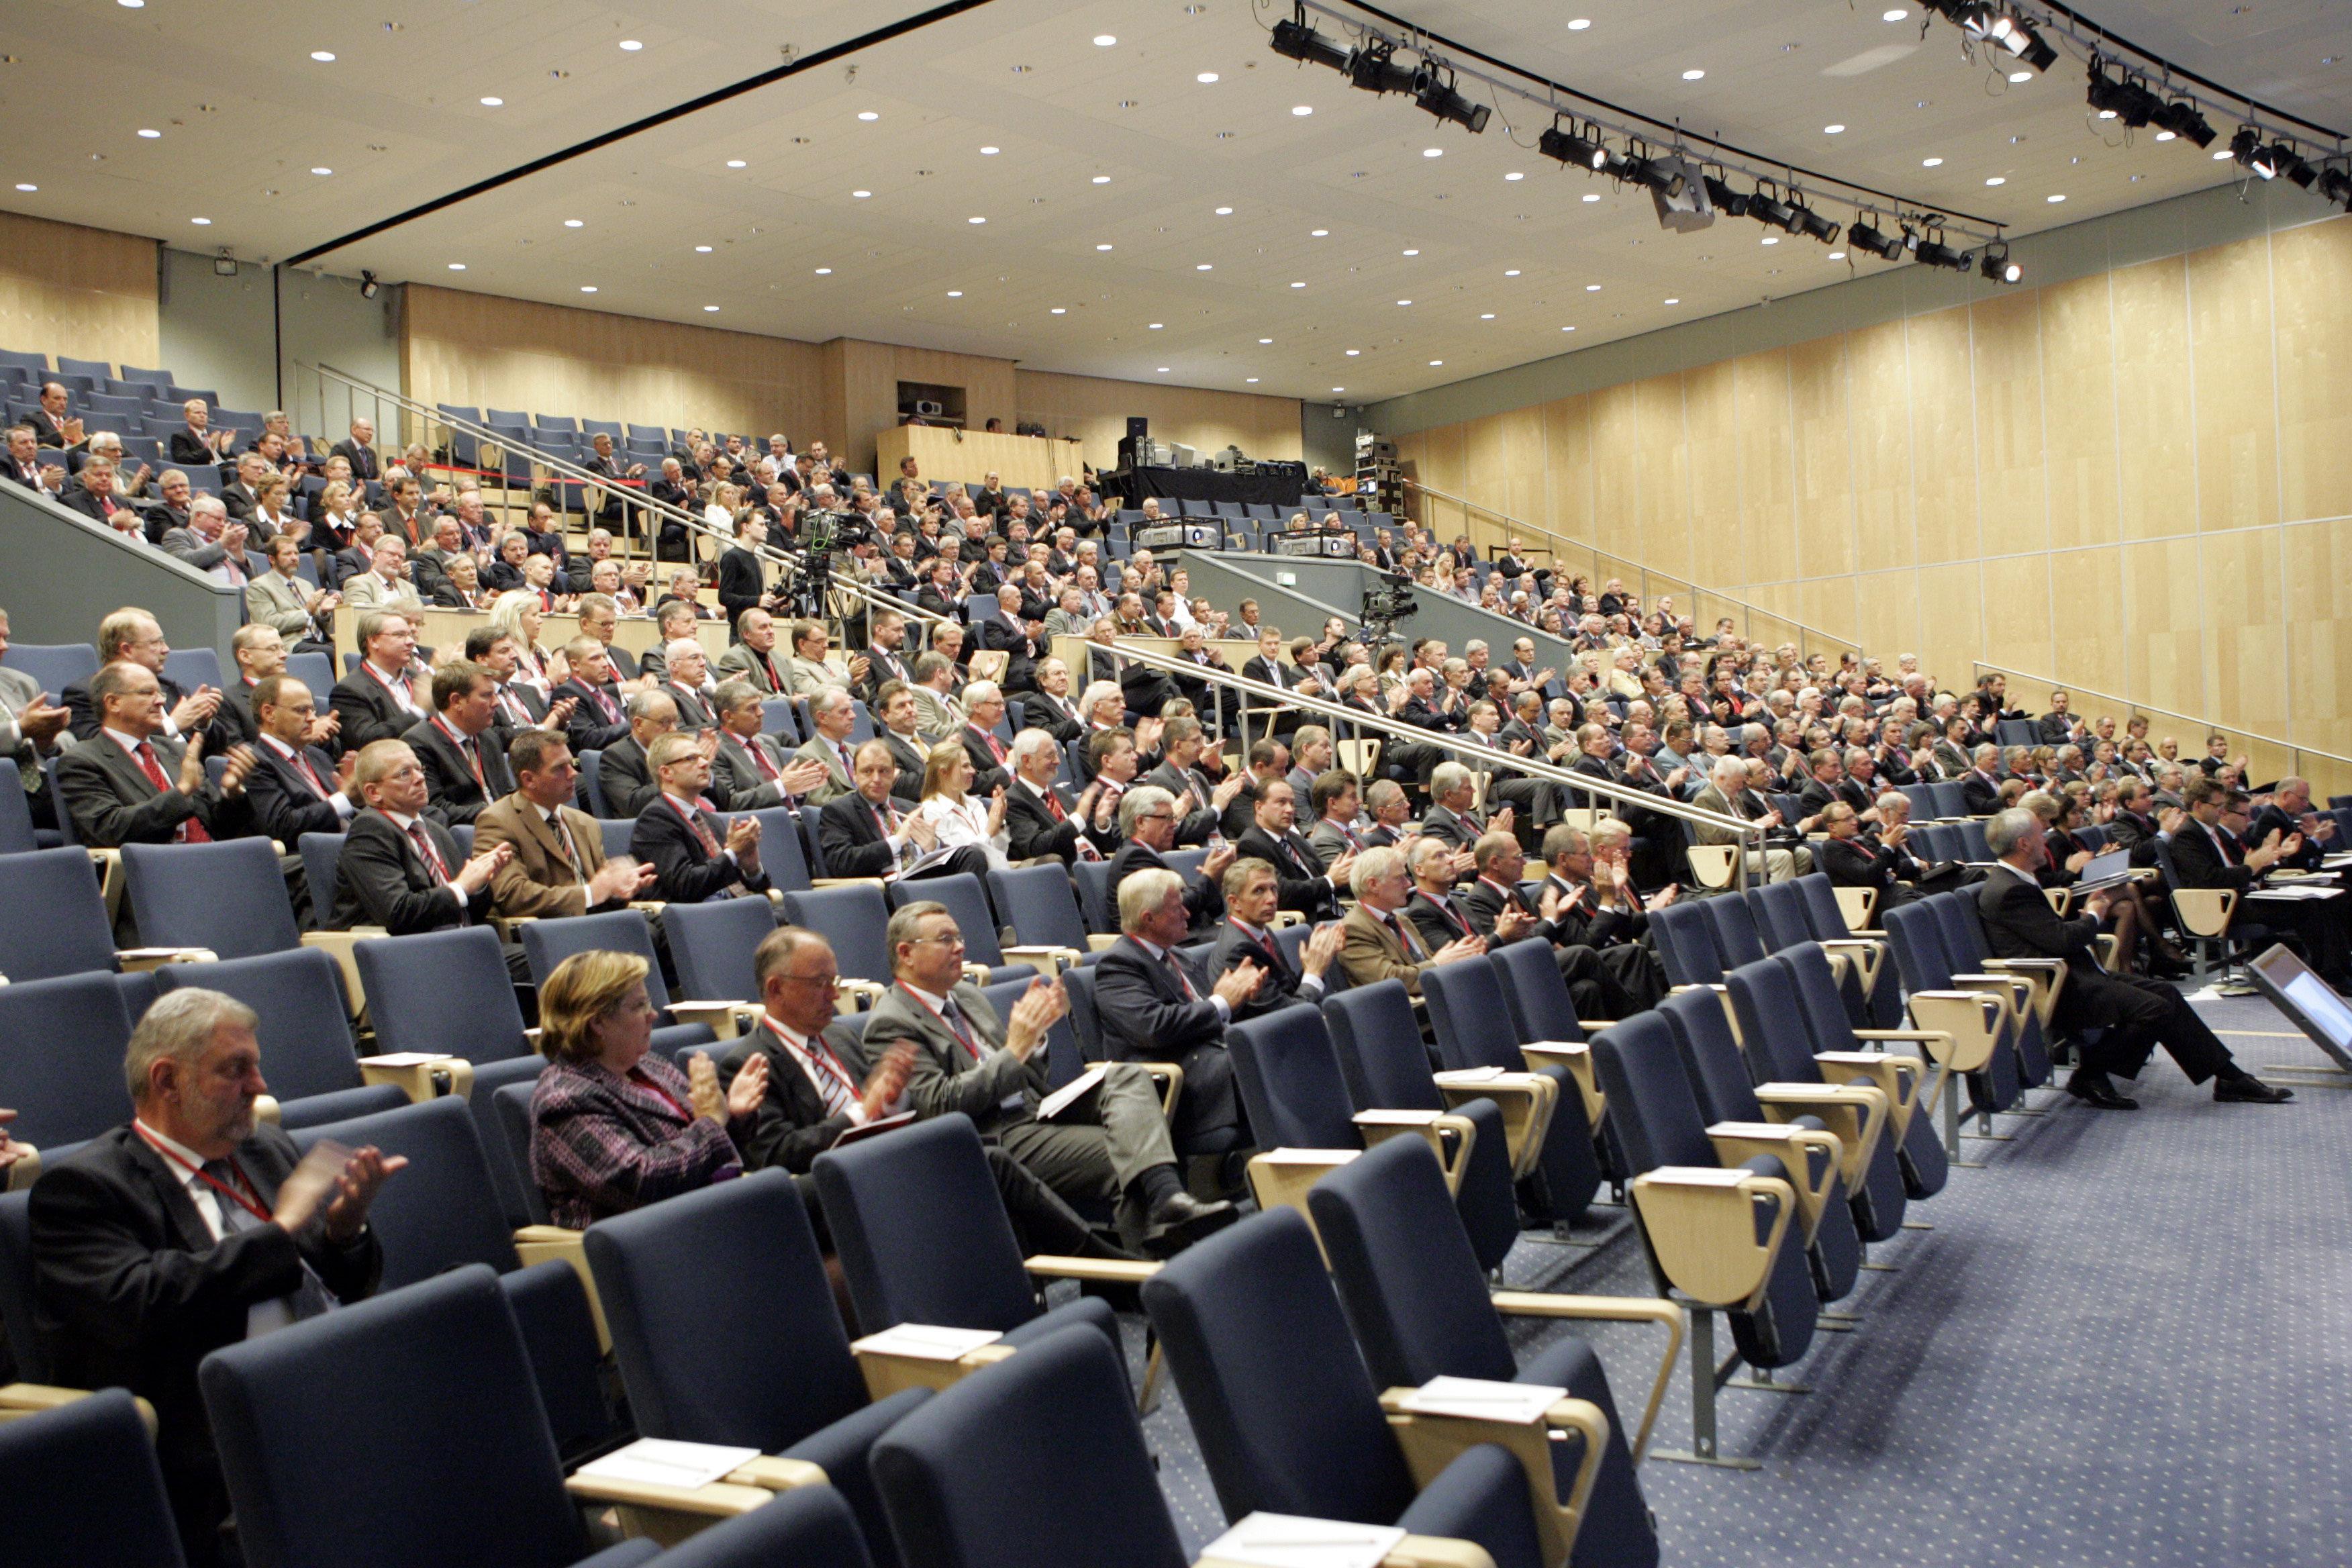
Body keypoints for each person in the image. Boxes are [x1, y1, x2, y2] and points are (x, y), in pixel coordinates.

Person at [29, 988, 401, 1566]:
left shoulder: (264, 1148)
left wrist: (342, 1233)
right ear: (166, 1080)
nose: (260, 1086)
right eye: (236, 1070)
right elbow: (141, 1303)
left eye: (256, 1066)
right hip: (215, 1447)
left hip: (327, 1395)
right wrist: (277, 1235)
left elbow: (341, 1285)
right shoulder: (86, 1189)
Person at [863, 901, 1235, 1253]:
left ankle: (1164, 1209)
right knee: (1129, 1153)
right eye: (946, 940)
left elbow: (1027, 1075)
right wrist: (1016, 1050)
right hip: (992, 1135)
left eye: (959, 938)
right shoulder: (892, 1022)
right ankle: (1147, 1272)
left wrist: (1036, 1042)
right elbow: (939, 1106)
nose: (960, 948)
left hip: (1034, 1109)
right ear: (906, 954)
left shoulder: (965, 995)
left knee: (1126, 1075)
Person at [1975, 807, 2290, 1109]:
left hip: (2073, 972)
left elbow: (2051, 933)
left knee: (2164, 993)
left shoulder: (2018, 882)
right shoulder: (2008, 890)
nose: (2046, 839)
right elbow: (2061, 939)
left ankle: (2229, 1077)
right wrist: (2094, 916)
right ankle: (2091, 1075)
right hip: (2054, 984)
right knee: (2154, 1009)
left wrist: (2089, 910)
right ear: (2023, 844)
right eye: (2040, 834)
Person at [528, 949, 769, 1228]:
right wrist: (713, 1121)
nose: (653, 1015)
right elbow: (642, 1181)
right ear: (597, 1023)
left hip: (707, 1209)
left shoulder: (650, 1065)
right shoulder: (565, 1099)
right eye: (639, 1006)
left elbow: (705, 1145)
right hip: (650, 1239)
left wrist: (732, 1116)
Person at [1093, 867, 1262, 1148]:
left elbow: (1211, 1013)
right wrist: (1221, 1002)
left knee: (1280, 1043)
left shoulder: (1178, 955)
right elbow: (1153, 1027)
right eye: (1177, 908)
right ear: (1149, 918)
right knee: (1270, 1067)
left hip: (1213, 1058)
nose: (1187, 914)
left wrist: (1239, 997)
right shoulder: (1118, 966)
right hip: (1175, 1082)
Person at [56, 661, 258, 848]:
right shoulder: (81, 761)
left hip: (213, 857)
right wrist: (182, 791)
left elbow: (221, 827)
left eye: (160, 693)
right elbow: (112, 829)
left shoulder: (174, 750)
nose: (161, 701)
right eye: (147, 693)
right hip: (154, 869)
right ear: (113, 703)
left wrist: (232, 794)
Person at [332, 737, 514, 933]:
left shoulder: (435, 830)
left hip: (460, 940)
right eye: (404, 774)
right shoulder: (370, 831)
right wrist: (461, 887)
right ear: (374, 792)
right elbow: (397, 912)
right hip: (409, 951)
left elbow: (471, 913)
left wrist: (481, 881)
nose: (419, 778)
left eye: (419, 769)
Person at [473, 728, 658, 919]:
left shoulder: (584, 822)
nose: (573, 774)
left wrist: (619, 888)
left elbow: (600, 890)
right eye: (560, 768)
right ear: (529, 779)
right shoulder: (498, 821)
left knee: (663, 925)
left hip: (598, 918)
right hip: (550, 929)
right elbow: (512, 894)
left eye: (571, 764)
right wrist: (588, 894)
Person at [818, 738, 994, 883]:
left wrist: (933, 846)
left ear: (894, 774)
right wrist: (896, 841)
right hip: (887, 885)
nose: (877, 779)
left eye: (884, 771)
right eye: (867, 771)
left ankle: (981, 923)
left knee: (972, 855)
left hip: (924, 877)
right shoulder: (838, 811)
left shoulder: (909, 807)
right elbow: (841, 862)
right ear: (855, 775)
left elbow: (939, 853)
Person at [632, 731, 770, 901]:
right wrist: (732, 853)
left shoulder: (710, 819)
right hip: (700, 919)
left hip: (742, 909)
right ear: (667, 772)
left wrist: (751, 868)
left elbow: (757, 887)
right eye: (691, 759)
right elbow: (686, 886)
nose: (705, 763)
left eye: (703, 757)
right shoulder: (655, 820)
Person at [1206, 856, 1346, 1022]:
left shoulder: (1261, 931)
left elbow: (1287, 994)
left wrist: (1317, 961)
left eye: (1274, 889)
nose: (1272, 899)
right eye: (1259, 891)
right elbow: (1289, 1016)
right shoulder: (1239, 951)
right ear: (1235, 902)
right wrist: (1314, 972)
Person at [1338, 844, 1485, 996]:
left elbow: (1426, 960)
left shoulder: (1401, 919)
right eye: (1399, 878)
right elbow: (1389, 981)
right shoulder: (1353, 928)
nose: (1408, 884)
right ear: (1373, 884)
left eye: (1406, 877)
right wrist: (1438, 964)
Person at [243, 673, 359, 846]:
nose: (312, 718)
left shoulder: (317, 756)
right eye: (301, 710)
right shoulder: (255, 762)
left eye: (312, 710)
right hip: (312, 857)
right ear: (269, 713)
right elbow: (283, 826)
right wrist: (346, 797)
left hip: (352, 845)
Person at [403, 660, 514, 827]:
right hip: (467, 834)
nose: (496, 702)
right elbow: (434, 810)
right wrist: (496, 813)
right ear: (456, 702)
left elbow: (506, 792)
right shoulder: (419, 743)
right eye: (486, 695)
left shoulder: (489, 738)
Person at [330, 610, 432, 750]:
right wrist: (418, 712)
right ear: (373, 641)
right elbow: (368, 741)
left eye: (410, 635)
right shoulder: (349, 691)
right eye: (400, 635)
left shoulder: (418, 680)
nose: (411, 642)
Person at [913, 739, 1010, 869]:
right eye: (965, 766)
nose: (973, 771)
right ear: (943, 772)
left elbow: (1000, 852)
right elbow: (959, 862)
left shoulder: (976, 804)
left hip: (997, 873)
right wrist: (989, 831)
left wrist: (999, 825)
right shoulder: (931, 810)